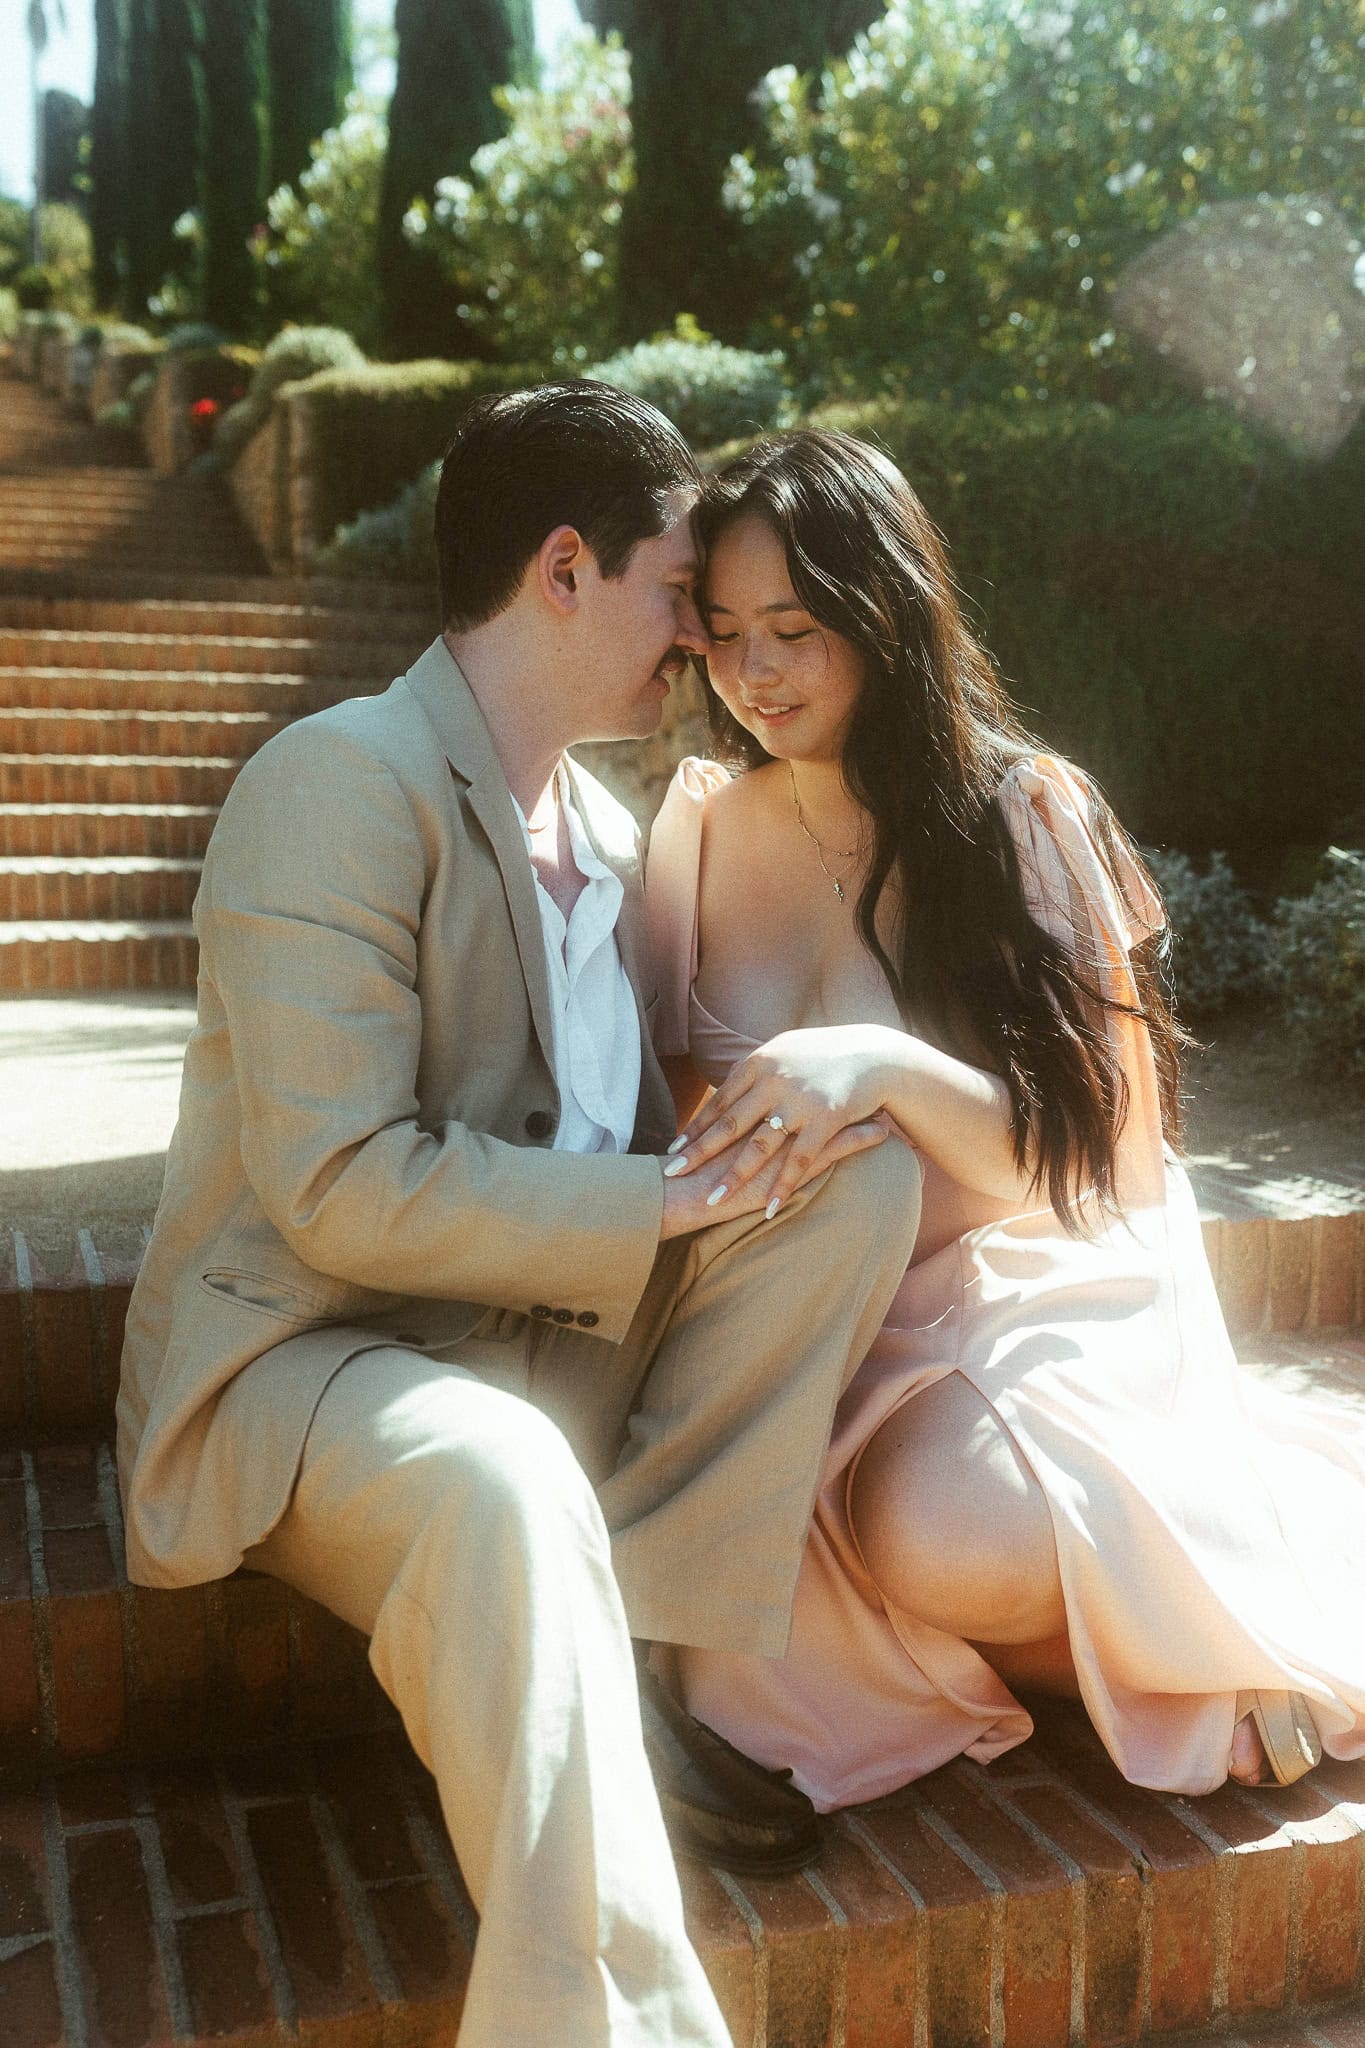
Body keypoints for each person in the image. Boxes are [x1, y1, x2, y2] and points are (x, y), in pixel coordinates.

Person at [117, 386, 926, 2048]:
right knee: (499, 1476)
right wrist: (661, 1195)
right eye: (676, 595)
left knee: (855, 1186)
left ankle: (616, 1655)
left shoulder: (622, 835)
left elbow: (638, 1130)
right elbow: (338, 1187)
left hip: (539, 1350)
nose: (700, 644)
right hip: (318, 1362)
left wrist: (796, 1114)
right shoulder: (336, 780)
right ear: (565, 571)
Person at [646, 426, 1365, 1810]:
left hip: (1026, 1288)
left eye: (794, 628)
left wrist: (885, 1066)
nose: (754, 673)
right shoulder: (695, 832)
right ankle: (1161, 1631)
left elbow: (1104, 1159)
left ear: (881, 612)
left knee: (940, 1538)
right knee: (847, 1564)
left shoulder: (1018, 812)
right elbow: (663, 1125)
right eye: (725, 632)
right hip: (808, 1317)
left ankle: (1199, 1645)